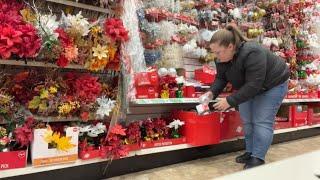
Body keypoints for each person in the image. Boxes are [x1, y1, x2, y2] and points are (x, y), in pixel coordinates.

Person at [205, 24, 289, 169]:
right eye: (214, 53)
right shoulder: (222, 59)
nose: (216, 57)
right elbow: (221, 78)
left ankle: (258, 157)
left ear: (231, 46)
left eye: (218, 52)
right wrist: (211, 93)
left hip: (272, 84)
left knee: (261, 121)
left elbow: (254, 85)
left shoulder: (252, 52)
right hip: (248, 86)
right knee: (248, 121)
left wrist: (230, 101)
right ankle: (250, 152)